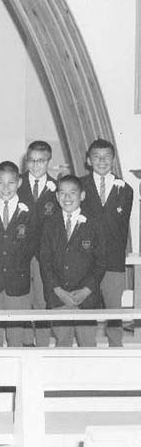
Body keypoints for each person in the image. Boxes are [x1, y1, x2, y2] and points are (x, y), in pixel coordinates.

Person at [39, 175, 106, 348]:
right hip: (58, 297)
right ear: (56, 196)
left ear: (82, 195)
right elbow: (45, 262)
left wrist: (86, 290)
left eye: (72, 193)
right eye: (62, 193)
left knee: (87, 344)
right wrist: (58, 291)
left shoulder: (95, 223)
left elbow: (101, 262)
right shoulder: (49, 224)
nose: (67, 198)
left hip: (87, 298)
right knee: (62, 343)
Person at [0, 161, 40, 355]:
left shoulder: (30, 210)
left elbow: (33, 243)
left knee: (16, 332)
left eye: (11, 183)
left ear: (20, 182)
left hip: (18, 281)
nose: (6, 188)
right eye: (1, 183)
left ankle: (14, 379)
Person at [80, 139, 133, 347]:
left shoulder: (125, 189)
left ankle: (116, 351)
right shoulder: (79, 186)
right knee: (86, 309)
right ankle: (86, 350)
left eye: (107, 157)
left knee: (114, 311)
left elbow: (119, 228)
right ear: (88, 160)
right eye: (96, 156)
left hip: (112, 262)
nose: (102, 161)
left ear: (113, 159)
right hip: (85, 261)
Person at [17, 140, 59, 347]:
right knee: (24, 297)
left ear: (49, 162)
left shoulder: (58, 188)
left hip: (45, 253)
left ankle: (42, 344)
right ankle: (25, 342)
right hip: (20, 253)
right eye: (31, 161)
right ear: (26, 161)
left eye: (41, 161)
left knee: (43, 299)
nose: (35, 166)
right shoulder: (15, 183)